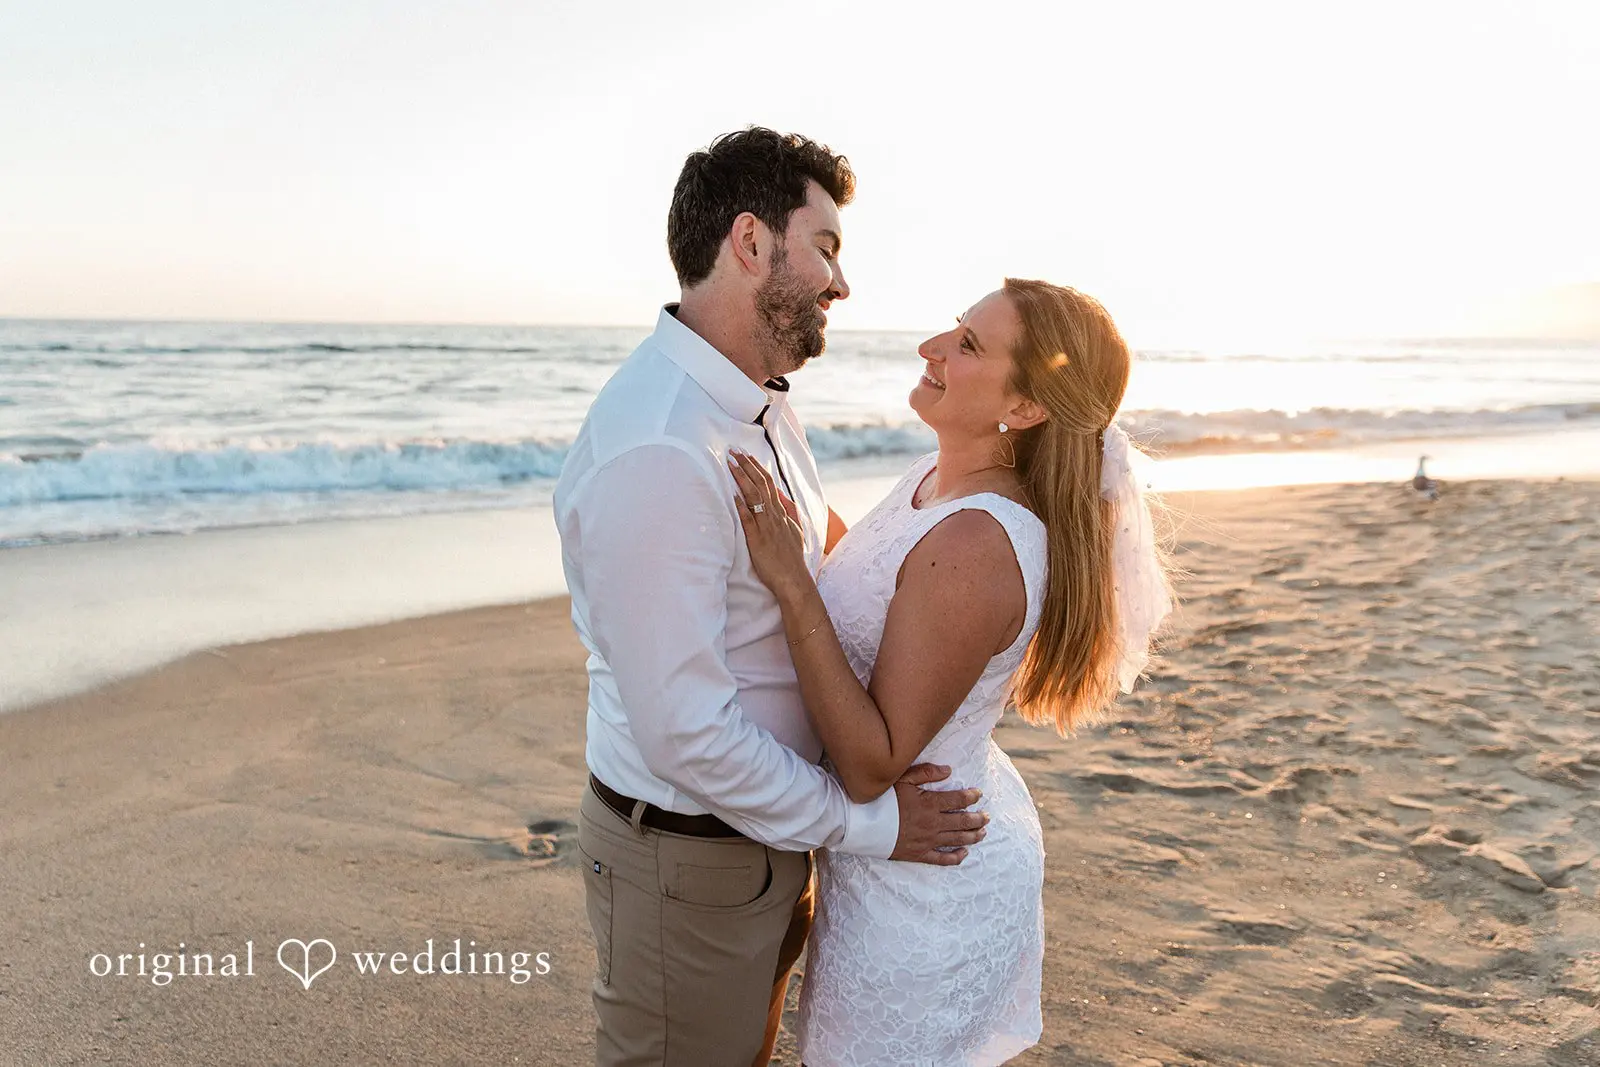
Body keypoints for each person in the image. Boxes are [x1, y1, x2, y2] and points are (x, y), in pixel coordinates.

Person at [552, 127, 990, 1067]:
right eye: (826, 246)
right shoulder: (663, 450)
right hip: (688, 861)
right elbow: (689, 736)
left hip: (764, 840)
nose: (841, 283)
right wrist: (869, 823)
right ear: (751, 245)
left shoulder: (756, 401)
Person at [728, 278, 1174, 1065]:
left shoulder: (977, 542)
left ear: (1027, 407)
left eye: (967, 345)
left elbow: (871, 763)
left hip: (925, 884)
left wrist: (789, 584)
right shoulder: (935, 483)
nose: (932, 347)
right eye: (954, 328)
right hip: (898, 855)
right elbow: (872, 578)